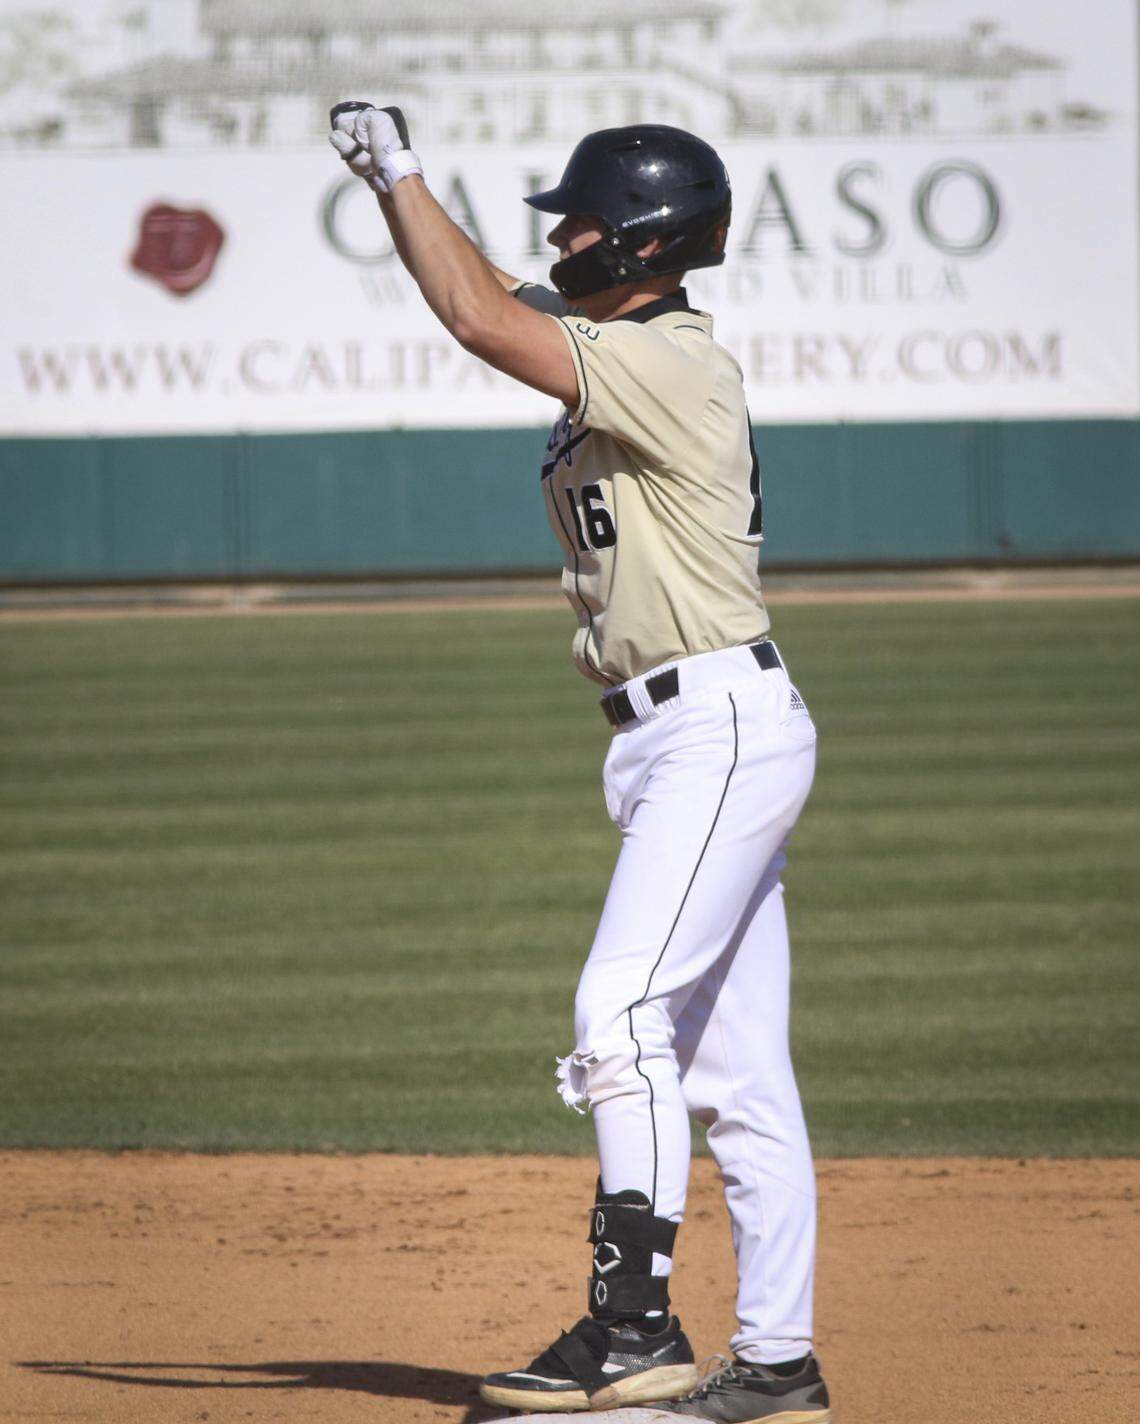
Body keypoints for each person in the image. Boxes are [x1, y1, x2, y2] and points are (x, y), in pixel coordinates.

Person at [330, 106, 831, 1424]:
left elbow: (484, 323)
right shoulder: (626, 338)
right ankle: (776, 1367)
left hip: (715, 725)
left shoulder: (670, 358)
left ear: (652, 238)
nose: (561, 232)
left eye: (584, 215)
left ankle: (634, 1332)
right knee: (737, 1077)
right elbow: (496, 291)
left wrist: (401, 165)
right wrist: (397, 193)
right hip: (691, 731)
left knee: (618, 1019)